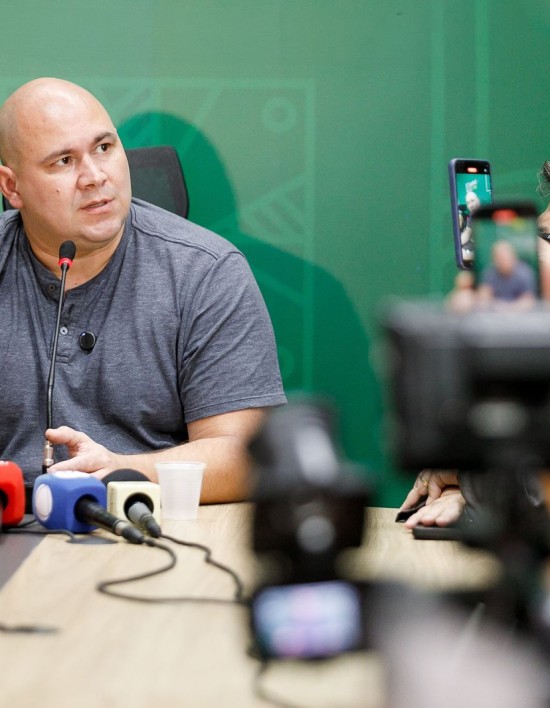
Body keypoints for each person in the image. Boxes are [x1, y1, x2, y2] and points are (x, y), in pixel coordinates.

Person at [0, 77, 287, 503]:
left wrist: (121, 470)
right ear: (12, 187)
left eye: (104, 147)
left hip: (146, 520)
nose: (95, 176)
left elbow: (244, 458)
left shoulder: (206, 271)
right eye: (64, 161)